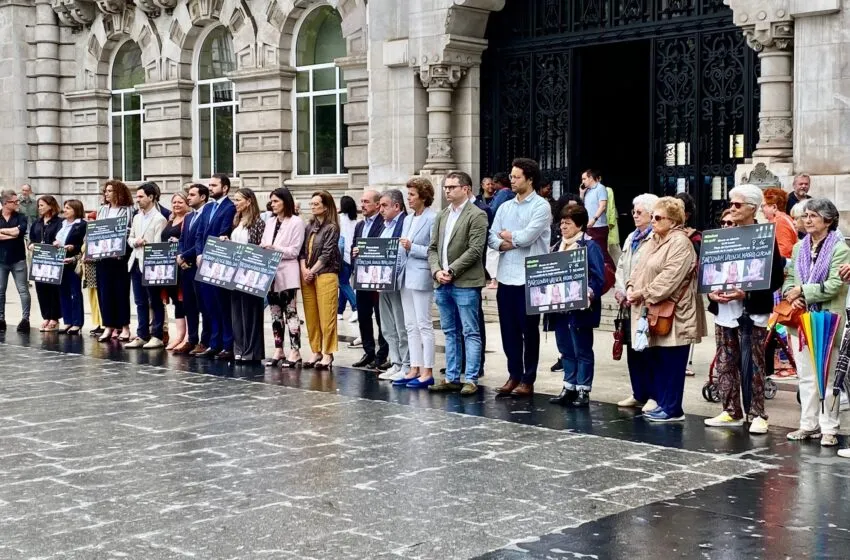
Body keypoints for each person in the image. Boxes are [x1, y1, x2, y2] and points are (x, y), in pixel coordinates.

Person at [704, 185, 784, 434]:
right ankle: (731, 410)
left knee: (754, 363)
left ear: (752, 208)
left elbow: (776, 278)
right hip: (724, 310)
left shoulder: (764, 237)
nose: (732, 208)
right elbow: (710, 269)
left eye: (737, 205)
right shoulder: (723, 235)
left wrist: (747, 292)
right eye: (731, 203)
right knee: (725, 363)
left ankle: (758, 413)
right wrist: (711, 291)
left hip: (751, 312)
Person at [626, 196, 706, 422]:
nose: (653, 221)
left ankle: (673, 408)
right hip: (653, 309)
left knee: (672, 361)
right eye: (652, 217)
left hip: (676, 313)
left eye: (658, 217)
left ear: (673, 221)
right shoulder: (654, 240)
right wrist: (632, 286)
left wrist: (642, 293)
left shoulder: (680, 242)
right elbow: (638, 268)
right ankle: (662, 403)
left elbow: (669, 279)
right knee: (659, 359)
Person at [783, 198, 850, 447]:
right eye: (805, 215)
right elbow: (789, 279)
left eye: (813, 215)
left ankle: (829, 428)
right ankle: (807, 424)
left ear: (828, 220)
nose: (807, 220)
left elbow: (834, 285)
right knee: (806, 376)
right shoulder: (799, 248)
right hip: (802, 320)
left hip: (827, 320)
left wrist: (802, 291)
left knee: (829, 377)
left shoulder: (839, 248)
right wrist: (794, 295)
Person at [489, 158, 552, 397]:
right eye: (512, 176)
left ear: (530, 179)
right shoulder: (505, 206)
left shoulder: (541, 206)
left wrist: (509, 237)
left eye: (516, 177)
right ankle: (513, 374)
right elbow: (492, 238)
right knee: (508, 331)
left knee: (529, 331)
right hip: (506, 276)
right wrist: (507, 242)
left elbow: (528, 238)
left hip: (530, 277)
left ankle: (528, 378)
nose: (512, 180)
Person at [427, 171, 489, 396]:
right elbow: (433, 247)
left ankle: (471, 378)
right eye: (446, 187)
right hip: (442, 282)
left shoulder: (477, 215)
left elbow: (475, 249)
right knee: (450, 331)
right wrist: (436, 271)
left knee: (470, 332)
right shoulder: (442, 215)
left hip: (465, 282)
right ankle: (452, 376)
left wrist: (451, 270)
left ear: (466, 189)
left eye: (452, 187)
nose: (447, 191)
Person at [549, 204, 605, 407]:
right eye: (561, 223)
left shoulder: (589, 246)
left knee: (582, 349)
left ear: (579, 225)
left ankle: (583, 389)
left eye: (568, 223)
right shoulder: (556, 247)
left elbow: (599, 277)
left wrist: (589, 293)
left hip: (580, 310)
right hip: (560, 310)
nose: (563, 227)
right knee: (565, 349)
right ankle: (569, 386)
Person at [614, 193, 658, 410]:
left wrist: (636, 291)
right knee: (633, 350)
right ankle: (638, 392)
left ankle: (653, 395)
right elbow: (622, 265)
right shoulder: (632, 236)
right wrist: (621, 289)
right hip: (629, 301)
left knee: (648, 350)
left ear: (652, 215)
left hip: (645, 301)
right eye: (634, 212)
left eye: (639, 212)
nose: (635, 215)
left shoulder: (655, 238)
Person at [393, 177, 437, 388]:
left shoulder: (432, 218)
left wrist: (412, 247)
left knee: (424, 323)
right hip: (405, 275)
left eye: (412, 194)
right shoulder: (408, 219)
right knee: (410, 325)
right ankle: (414, 367)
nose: (408, 198)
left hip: (421, 274)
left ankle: (427, 370)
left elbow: (433, 249)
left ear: (423, 196)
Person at [195, 173, 237, 360]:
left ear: (225, 188)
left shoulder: (230, 207)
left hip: (219, 263)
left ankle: (227, 345)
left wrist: (210, 253)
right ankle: (214, 343)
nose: (210, 188)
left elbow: (224, 232)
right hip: (203, 262)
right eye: (209, 185)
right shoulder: (208, 207)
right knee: (209, 305)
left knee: (222, 305)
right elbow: (199, 233)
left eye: (214, 185)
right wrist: (198, 253)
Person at [299, 190, 340, 370]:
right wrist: (304, 270)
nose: (313, 207)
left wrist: (312, 271)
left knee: (327, 315)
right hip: (308, 273)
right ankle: (315, 350)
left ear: (326, 206)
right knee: (311, 315)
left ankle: (327, 353)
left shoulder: (331, 227)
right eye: (312, 204)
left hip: (326, 273)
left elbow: (327, 253)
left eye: (316, 204)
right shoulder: (309, 226)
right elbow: (302, 251)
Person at [224, 188, 266, 363]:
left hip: (250, 273)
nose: (235, 203)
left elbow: (257, 248)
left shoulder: (258, 222)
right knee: (236, 312)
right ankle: (239, 348)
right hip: (235, 272)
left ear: (249, 201)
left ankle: (251, 350)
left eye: (238, 200)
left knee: (251, 312)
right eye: (234, 199)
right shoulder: (236, 220)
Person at [125, 184, 167, 349]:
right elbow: (130, 238)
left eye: (141, 196)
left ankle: (157, 334)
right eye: (137, 196)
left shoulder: (159, 218)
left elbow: (158, 244)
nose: (138, 200)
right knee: (139, 301)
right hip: (135, 261)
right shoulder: (136, 217)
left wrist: (145, 244)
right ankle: (142, 334)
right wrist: (136, 242)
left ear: (151, 197)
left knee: (154, 300)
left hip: (150, 264)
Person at [351, 190, 389, 369]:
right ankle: (368, 351)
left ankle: (382, 354)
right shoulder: (359, 225)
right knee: (363, 315)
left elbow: (384, 247)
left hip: (377, 277)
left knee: (381, 316)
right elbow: (354, 246)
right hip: (362, 276)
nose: (362, 205)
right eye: (361, 201)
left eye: (366, 202)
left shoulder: (384, 223)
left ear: (376, 205)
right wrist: (354, 254)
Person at [374, 189, 410, 381]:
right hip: (382, 282)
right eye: (379, 205)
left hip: (397, 282)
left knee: (400, 324)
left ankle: (406, 364)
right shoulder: (384, 226)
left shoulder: (405, 223)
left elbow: (402, 255)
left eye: (384, 205)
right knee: (387, 326)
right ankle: (395, 362)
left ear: (397, 206)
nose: (380, 209)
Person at [95, 180, 133, 342]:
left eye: (110, 191)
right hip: (103, 257)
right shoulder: (102, 210)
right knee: (104, 292)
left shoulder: (128, 210)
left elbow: (129, 230)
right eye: (106, 191)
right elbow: (97, 230)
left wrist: (120, 248)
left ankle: (124, 326)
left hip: (119, 258)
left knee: (120, 291)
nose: (107, 193)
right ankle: (108, 326)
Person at [174, 184, 209, 355]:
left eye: (192, 195)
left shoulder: (206, 215)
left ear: (202, 197)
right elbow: (182, 239)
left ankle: (205, 340)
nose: (189, 197)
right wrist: (180, 256)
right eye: (188, 194)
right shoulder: (188, 217)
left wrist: (185, 256)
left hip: (198, 265)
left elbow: (200, 242)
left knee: (203, 305)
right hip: (185, 267)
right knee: (188, 305)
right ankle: (192, 338)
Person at [28, 195, 62, 332]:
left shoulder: (59, 222)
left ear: (50, 206)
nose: (39, 208)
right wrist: (31, 245)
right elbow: (31, 238)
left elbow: (60, 238)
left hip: (53, 260)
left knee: (52, 289)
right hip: (39, 260)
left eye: (42, 205)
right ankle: (46, 316)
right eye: (39, 205)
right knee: (41, 288)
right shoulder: (37, 223)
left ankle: (55, 317)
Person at [53, 200, 87, 334]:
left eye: (68, 208)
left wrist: (73, 247)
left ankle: (77, 323)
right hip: (60, 260)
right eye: (65, 208)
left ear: (76, 210)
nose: (65, 210)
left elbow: (83, 245)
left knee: (75, 293)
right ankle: (67, 320)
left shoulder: (82, 225)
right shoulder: (62, 223)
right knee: (63, 292)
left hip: (73, 261)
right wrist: (55, 243)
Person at [0, 189, 31, 332]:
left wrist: (5, 232)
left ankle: (25, 319)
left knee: (23, 290)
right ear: (6, 203)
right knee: (0, 290)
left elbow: (20, 232)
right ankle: (1, 319)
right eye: (15, 201)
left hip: (18, 258)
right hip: (1, 259)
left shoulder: (21, 216)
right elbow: (15, 233)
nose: (18, 203)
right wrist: (12, 234)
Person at [161, 192, 189, 351]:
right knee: (176, 302)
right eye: (174, 202)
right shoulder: (170, 221)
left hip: (182, 266)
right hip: (169, 268)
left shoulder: (188, 220)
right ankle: (178, 335)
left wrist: (178, 243)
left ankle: (187, 336)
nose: (177, 205)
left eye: (180, 202)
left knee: (184, 300)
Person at [579, 169, 612, 268]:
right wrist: (581, 193)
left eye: (584, 179)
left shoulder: (600, 188)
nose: (583, 181)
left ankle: (612, 274)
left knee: (602, 252)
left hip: (598, 226)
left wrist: (594, 219)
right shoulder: (587, 191)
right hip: (589, 226)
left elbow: (602, 206)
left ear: (590, 178)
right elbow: (581, 206)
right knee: (591, 253)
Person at [337, 195, 358, 323]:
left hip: (343, 255)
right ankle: (339, 310)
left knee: (343, 283)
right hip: (352, 255)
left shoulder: (339, 219)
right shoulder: (357, 221)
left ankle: (356, 307)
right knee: (344, 283)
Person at [761, 188, 797, 259]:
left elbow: (784, 249)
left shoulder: (780, 221)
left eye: (763, 206)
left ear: (774, 207)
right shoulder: (783, 218)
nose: (761, 209)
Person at [606, 186, 621, 266]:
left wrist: (611, 223)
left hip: (610, 228)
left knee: (615, 253)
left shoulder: (607, 190)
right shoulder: (588, 192)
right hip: (597, 229)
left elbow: (611, 207)